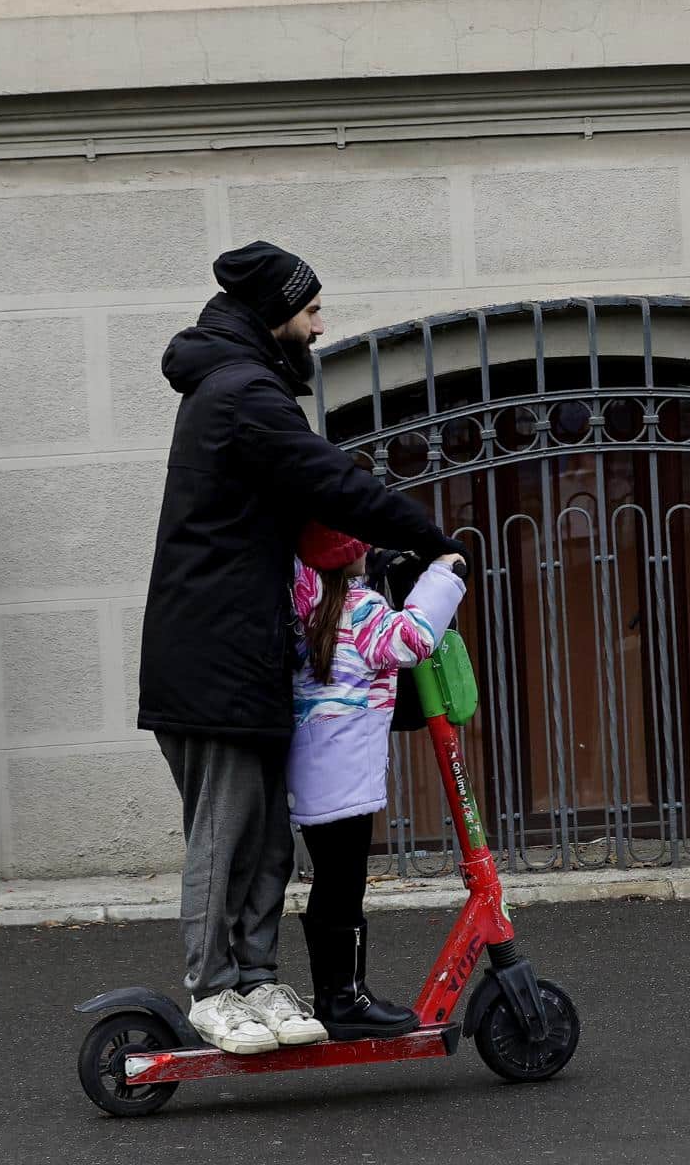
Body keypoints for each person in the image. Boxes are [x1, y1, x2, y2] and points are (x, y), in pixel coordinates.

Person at [140, 241, 461, 1056]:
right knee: (227, 833)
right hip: (212, 658)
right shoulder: (245, 394)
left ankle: (255, 979)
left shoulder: (243, 387)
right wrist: (427, 539)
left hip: (249, 653)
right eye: (311, 310)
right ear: (275, 314)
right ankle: (214, 987)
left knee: (268, 838)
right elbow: (330, 481)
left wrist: (375, 562)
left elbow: (311, 524)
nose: (321, 326)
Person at [290, 525, 466, 1038]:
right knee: (345, 887)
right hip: (348, 772)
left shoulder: (308, 603)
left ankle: (335, 993)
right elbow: (411, 640)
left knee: (331, 882)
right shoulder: (358, 608)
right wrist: (445, 575)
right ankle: (344, 999)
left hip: (313, 771)